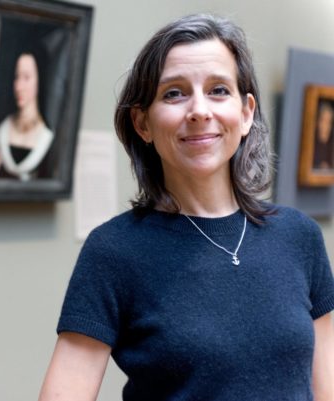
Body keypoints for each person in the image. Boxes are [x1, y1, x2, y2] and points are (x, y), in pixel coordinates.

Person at [38, 14, 334, 401]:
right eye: (174, 93)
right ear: (142, 123)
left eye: (218, 90)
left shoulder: (299, 236)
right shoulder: (114, 252)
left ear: (246, 113)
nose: (199, 110)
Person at [0, 52, 53, 181]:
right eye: (17, 77)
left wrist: (1, 171)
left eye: (26, 78)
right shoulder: (2, 129)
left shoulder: (47, 136)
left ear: (39, 81)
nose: (19, 87)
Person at [313, 102, 334, 170]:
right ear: (317, 122)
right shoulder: (311, 143)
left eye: (329, 122)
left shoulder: (331, 143)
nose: (326, 126)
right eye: (323, 120)